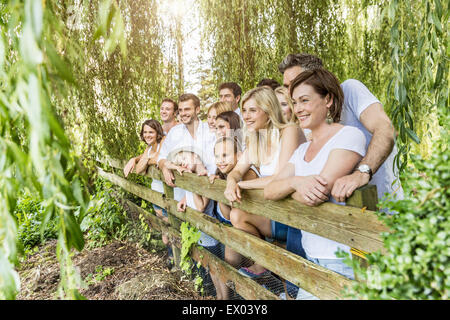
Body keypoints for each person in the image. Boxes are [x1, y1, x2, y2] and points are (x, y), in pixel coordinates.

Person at [265, 68, 367, 299]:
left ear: (328, 99)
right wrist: (297, 182)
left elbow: (317, 193)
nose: (297, 109)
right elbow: (270, 191)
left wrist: (289, 187)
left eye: (304, 100)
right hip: (310, 257)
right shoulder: (301, 150)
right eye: (294, 102)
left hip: (342, 260)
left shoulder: (348, 136)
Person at [278, 53, 403, 208]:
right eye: (286, 87)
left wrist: (362, 173)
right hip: (341, 218)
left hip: (382, 207)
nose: (291, 92)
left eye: (297, 82)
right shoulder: (309, 120)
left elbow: (386, 129)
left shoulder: (350, 90)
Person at [223, 86, 306, 278]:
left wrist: (241, 185)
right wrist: (231, 182)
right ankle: (265, 261)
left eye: (253, 110)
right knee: (236, 215)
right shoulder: (256, 139)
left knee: (237, 215)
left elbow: (280, 178)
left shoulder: (289, 131)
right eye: (244, 110)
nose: (246, 116)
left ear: (268, 111)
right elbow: (235, 171)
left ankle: (267, 260)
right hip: (273, 210)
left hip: (295, 216)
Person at [168, 147, 225, 299]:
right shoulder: (191, 177)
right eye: (180, 163)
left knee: (217, 267)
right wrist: (184, 200)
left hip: (209, 230)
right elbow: (191, 198)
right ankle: (218, 295)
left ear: (195, 157)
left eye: (185, 159)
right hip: (199, 230)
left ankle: (224, 297)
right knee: (210, 267)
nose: (183, 164)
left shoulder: (202, 177)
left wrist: (192, 186)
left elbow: (201, 207)